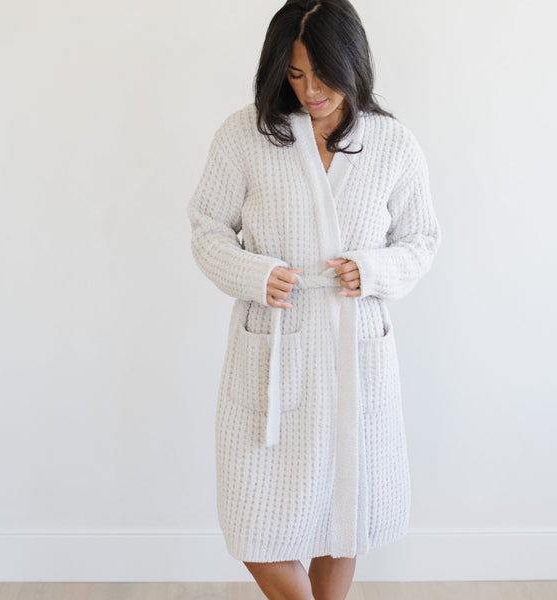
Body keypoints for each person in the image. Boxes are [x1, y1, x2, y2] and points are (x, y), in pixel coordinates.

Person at [186, 0, 442, 598]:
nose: (309, 91)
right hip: (273, 344)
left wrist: (372, 270)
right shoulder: (245, 135)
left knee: (343, 506)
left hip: (356, 344)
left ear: (353, 65)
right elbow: (207, 227)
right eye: (294, 75)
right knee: (256, 513)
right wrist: (255, 273)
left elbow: (423, 239)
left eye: (322, 76)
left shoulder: (392, 143)